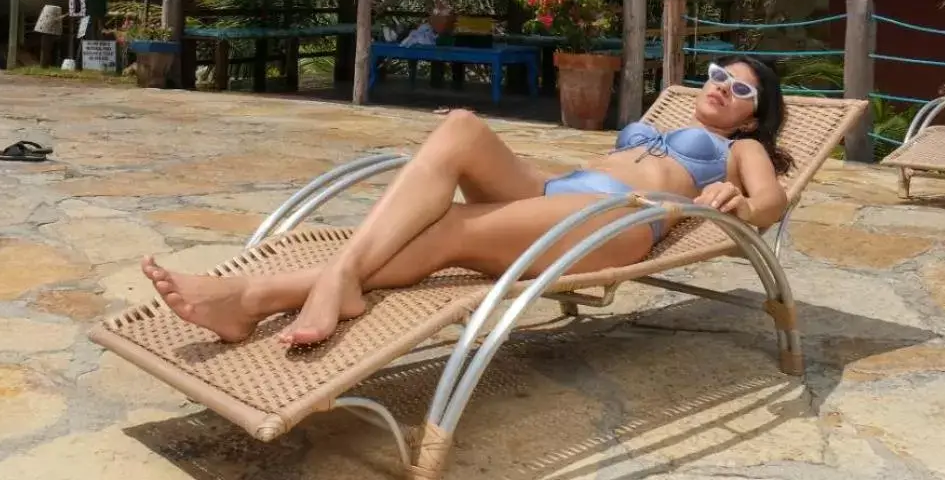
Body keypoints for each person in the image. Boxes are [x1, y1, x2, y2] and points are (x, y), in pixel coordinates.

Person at [142, 56, 792, 348]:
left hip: (615, 220)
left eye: (740, 90)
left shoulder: (738, 152)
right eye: (718, 76)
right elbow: (586, 164)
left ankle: (259, 297)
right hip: (562, 192)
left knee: (452, 226)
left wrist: (731, 199)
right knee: (460, 127)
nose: (722, 89)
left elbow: (772, 203)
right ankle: (340, 277)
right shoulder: (660, 120)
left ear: (749, 119)